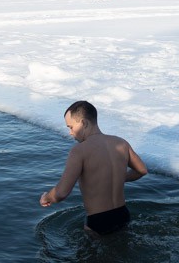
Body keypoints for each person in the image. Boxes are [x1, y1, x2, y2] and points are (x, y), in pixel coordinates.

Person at [39, 100, 148, 235]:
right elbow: (142, 170)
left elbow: (61, 193)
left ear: (84, 123)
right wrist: (116, 177)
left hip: (98, 220)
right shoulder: (121, 143)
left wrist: (46, 197)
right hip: (123, 214)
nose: (70, 133)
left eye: (71, 127)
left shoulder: (79, 150)